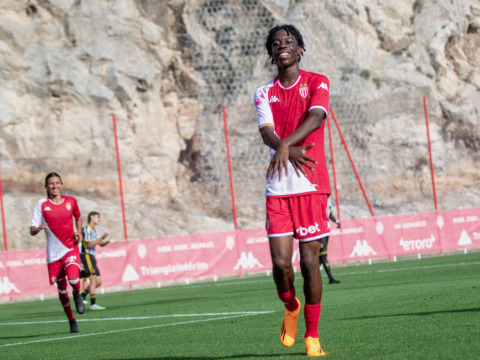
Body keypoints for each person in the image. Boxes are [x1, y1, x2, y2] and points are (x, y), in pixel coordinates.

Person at [254, 24, 331, 357]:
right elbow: (265, 131)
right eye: (276, 43)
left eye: (289, 41)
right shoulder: (262, 92)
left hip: (312, 185)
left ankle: (312, 336)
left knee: (309, 264)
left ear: (300, 49)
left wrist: (287, 145)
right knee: (281, 266)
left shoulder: (317, 81)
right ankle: (290, 305)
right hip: (278, 187)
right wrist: (284, 147)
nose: (282, 46)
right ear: (271, 54)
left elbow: (316, 117)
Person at [30, 172, 85, 333]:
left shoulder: (71, 201)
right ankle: (72, 321)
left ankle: (77, 293)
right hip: (54, 254)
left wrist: (79, 232)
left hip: (70, 248)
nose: (54, 186)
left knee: (74, 279)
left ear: (61, 184)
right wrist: (37, 229)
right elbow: (32, 230)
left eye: (57, 183)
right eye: (51, 184)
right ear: (46, 187)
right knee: (61, 290)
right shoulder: (41, 204)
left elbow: (78, 217)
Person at [79, 211, 116, 310]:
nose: (98, 219)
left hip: (92, 257)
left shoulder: (95, 230)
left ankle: (82, 296)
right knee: (93, 279)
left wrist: (107, 241)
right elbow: (89, 244)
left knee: (98, 282)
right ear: (91, 217)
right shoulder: (86, 229)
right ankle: (93, 304)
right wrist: (101, 238)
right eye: (97, 217)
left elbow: (100, 244)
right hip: (86, 255)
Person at [320, 196, 341, 284]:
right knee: (323, 254)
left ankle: (316, 279)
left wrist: (336, 221)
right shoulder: (318, 198)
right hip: (319, 229)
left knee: (320, 258)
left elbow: (330, 214)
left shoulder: (328, 200)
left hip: (326, 230)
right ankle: (330, 278)